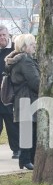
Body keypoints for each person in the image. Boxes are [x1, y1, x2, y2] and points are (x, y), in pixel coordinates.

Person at [5, 34, 39, 170]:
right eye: (32, 44)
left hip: (22, 98)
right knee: (29, 130)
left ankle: (26, 160)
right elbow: (35, 82)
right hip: (28, 98)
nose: (34, 46)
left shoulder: (17, 60)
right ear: (24, 47)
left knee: (27, 130)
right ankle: (27, 160)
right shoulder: (25, 60)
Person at [0, 25, 20, 160]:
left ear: (8, 35)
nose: (2, 38)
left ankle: (16, 149)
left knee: (11, 122)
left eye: (3, 35)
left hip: (9, 91)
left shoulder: (15, 50)